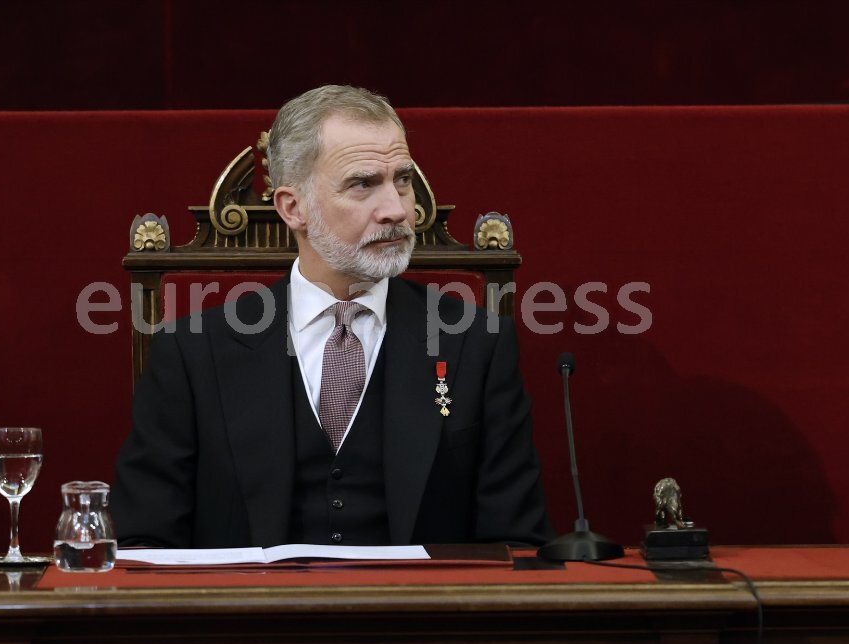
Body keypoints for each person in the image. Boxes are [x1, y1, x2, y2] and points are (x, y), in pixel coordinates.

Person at [110, 85, 553, 548]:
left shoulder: (476, 343)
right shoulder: (192, 352)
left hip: (423, 617)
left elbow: (516, 545)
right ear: (293, 207)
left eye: (401, 179)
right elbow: (144, 545)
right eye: (363, 184)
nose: (397, 210)